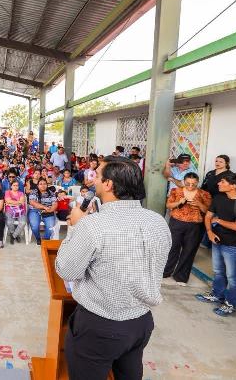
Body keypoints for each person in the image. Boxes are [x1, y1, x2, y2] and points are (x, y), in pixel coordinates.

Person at [56, 156, 171, 380]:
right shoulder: (158, 222)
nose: (93, 180)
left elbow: (67, 271)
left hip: (100, 325)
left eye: (97, 176)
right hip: (141, 322)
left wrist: (76, 227)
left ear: (108, 184)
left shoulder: (93, 225)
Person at [196, 174, 236, 317]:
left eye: (222, 181)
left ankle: (231, 304)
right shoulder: (219, 198)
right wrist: (209, 232)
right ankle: (217, 294)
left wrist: (219, 221)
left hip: (234, 245)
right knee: (218, 271)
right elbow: (208, 216)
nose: (219, 184)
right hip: (217, 241)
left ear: (233, 186)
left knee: (233, 277)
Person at [163, 172, 211, 286]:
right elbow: (168, 205)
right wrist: (179, 202)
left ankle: (181, 276)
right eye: (188, 183)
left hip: (194, 225)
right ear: (184, 181)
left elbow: (207, 211)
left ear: (197, 182)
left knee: (189, 250)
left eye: (193, 184)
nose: (190, 186)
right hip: (176, 223)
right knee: (172, 248)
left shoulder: (204, 194)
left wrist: (199, 204)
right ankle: (166, 271)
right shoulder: (176, 191)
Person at [28, 178, 57, 244]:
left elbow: (55, 204)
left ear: (47, 185)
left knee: (50, 227)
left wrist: (50, 210)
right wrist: (44, 207)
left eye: (44, 184)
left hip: (48, 211)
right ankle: (38, 238)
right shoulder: (33, 192)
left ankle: (45, 239)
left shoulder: (51, 193)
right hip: (35, 210)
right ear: (38, 185)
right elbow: (33, 202)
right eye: (40, 184)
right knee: (34, 226)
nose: (43, 185)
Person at [4, 179, 26, 245]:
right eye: (14, 185)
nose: (16, 187)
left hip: (20, 210)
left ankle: (13, 236)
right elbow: (8, 200)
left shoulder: (21, 193)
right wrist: (17, 202)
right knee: (9, 222)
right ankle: (13, 233)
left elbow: (21, 202)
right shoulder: (7, 192)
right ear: (11, 186)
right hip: (9, 210)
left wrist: (10, 203)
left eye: (17, 185)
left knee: (23, 222)